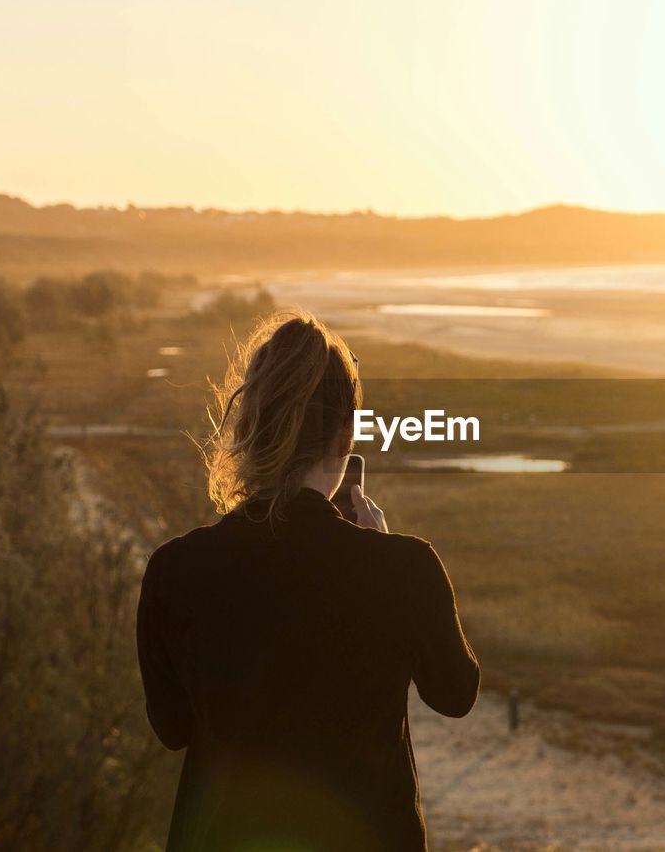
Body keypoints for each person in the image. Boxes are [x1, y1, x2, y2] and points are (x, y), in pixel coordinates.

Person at [136, 311, 480, 851]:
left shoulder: (173, 570)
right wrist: (385, 549)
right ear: (346, 435)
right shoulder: (405, 569)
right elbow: (456, 693)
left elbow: (173, 727)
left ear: (248, 427)